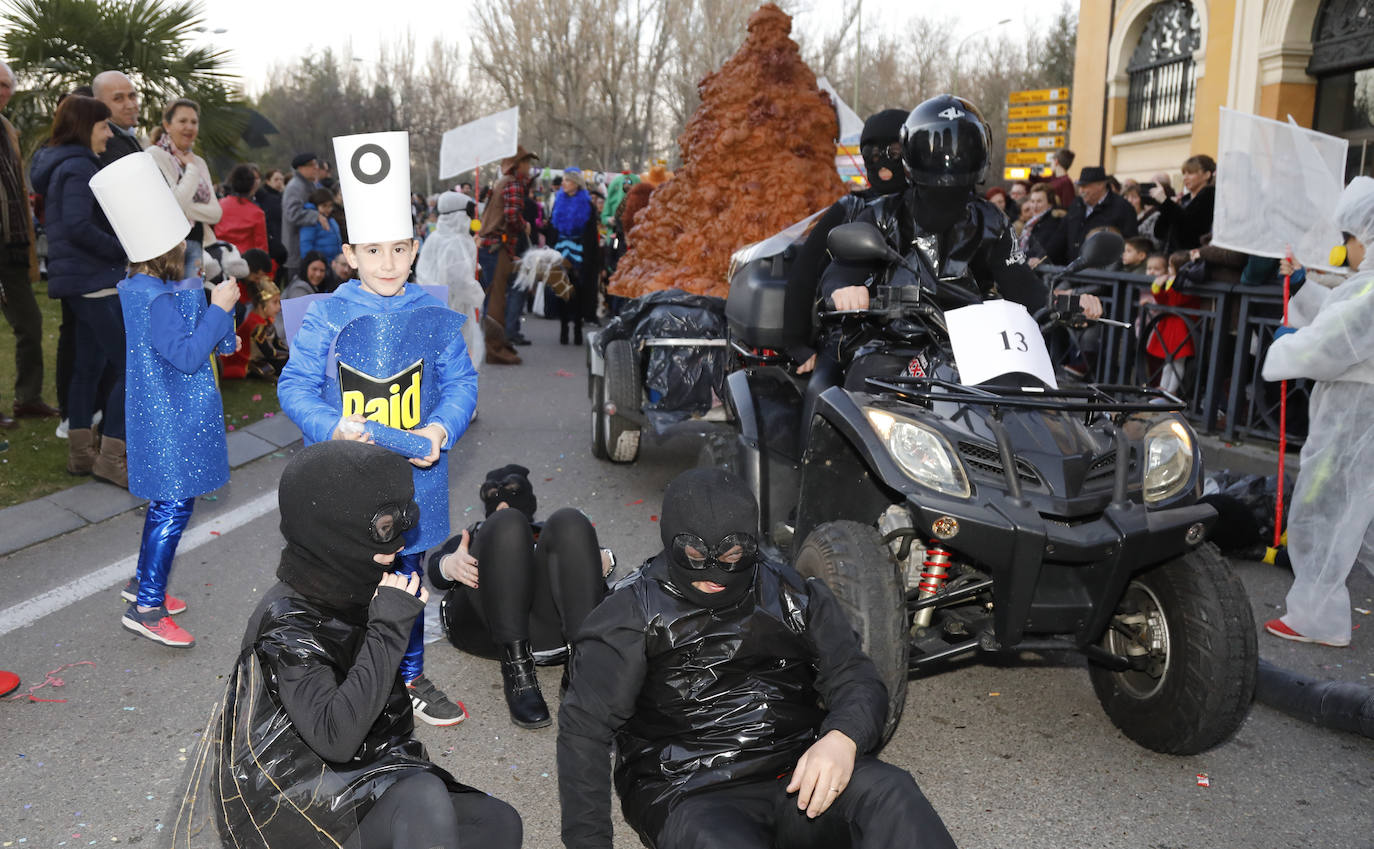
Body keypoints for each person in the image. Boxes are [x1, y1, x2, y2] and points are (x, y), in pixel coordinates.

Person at [557, 468, 958, 849]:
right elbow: (584, 732)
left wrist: (843, 737)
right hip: (687, 788)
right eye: (695, 554)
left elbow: (855, 675)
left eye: (732, 555)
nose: (713, 572)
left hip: (796, 768)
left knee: (892, 795)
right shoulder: (630, 615)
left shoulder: (793, 594)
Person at [171, 440, 523, 848]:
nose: (399, 542)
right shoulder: (289, 622)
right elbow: (335, 737)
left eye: (404, 520)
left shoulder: (354, 583)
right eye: (386, 527)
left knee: (497, 823)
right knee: (422, 802)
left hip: (355, 777)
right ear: (335, 530)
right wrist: (389, 629)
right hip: (291, 805)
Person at [278, 130, 478, 727]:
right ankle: (348, 673)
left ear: (415, 247)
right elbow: (294, 385)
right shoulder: (329, 314)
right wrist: (331, 425)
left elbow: (463, 383)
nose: (387, 264)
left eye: (398, 249)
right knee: (345, 577)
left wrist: (441, 429)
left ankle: (410, 673)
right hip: (347, 472)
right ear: (350, 253)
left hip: (417, 476)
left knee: (407, 576)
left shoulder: (435, 315)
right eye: (373, 251)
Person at [87, 150, 240, 646]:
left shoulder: (143, 287)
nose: (188, 246)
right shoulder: (154, 298)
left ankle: (141, 584)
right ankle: (148, 607)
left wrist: (216, 313)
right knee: (172, 508)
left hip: (169, 414)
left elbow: (196, 335)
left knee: (166, 506)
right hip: (171, 418)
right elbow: (189, 355)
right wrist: (219, 309)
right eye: (182, 239)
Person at [1261, 177, 1374, 648]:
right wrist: (1305, 288)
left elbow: (1335, 342)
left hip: (1354, 410)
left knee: (1328, 507)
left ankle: (1317, 617)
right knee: (1362, 513)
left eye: (1348, 239)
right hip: (1359, 404)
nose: (1343, 250)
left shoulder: (1369, 286)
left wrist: (1290, 346)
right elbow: (1342, 318)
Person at [428, 465, 609, 728]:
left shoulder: (550, 534)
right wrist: (448, 564)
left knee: (570, 521)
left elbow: (587, 564)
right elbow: (436, 570)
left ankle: (581, 669)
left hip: (554, 627)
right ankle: (518, 675)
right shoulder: (475, 535)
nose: (501, 501)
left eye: (512, 492)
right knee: (506, 525)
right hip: (488, 625)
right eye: (491, 494)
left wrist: (605, 560)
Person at [29, 95, 129, 481]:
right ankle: (110, 457)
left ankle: (82, 455)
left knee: (87, 368)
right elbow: (76, 225)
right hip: (93, 280)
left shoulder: (65, 163)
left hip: (82, 280)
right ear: (85, 126)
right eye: (104, 125)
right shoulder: (78, 167)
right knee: (128, 367)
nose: (108, 133)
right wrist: (121, 249)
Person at [783, 108, 909, 375]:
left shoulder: (931, 211)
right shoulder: (851, 207)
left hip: (931, 340)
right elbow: (805, 270)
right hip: (850, 338)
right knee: (825, 395)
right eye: (872, 154)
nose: (883, 162)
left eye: (894, 151)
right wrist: (796, 343)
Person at [0, 61, 57, 428]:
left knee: (30, 324)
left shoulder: (7, 128)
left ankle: (28, 398)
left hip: (14, 246)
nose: (2, 91)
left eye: (6, 85)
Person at [477, 144, 538, 365]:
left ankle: (498, 343)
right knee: (496, 299)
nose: (529, 167)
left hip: (493, 246)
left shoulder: (504, 183)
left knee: (496, 296)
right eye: (526, 163)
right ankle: (494, 349)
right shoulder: (513, 184)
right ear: (517, 164)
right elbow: (512, 216)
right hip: (497, 247)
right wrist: (525, 225)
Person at [146, 98, 220, 279]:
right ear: (167, 125)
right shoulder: (154, 156)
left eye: (194, 122)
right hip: (168, 249)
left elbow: (216, 213)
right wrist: (191, 170)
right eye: (182, 121)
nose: (189, 127)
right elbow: (175, 204)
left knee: (193, 304)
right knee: (170, 304)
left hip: (196, 243)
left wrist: (179, 206)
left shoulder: (199, 161)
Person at [415, 190, 484, 371]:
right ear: (459, 215)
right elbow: (460, 281)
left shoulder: (434, 237)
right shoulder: (455, 242)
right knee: (457, 358)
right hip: (455, 308)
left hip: (432, 306)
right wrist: (478, 296)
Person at [1043, 165, 1138, 265]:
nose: (1081, 191)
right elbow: (1060, 236)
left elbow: (1130, 242)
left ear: (1100, 185)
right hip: (1073, 270)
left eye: (1085, 186)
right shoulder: (1076, 204)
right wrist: (1043, 258)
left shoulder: (1122, 208)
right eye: (1079, 187)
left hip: (1103, 274)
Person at [551, 167, 596, 345]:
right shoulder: (558, 201)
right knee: (561, 290)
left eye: (567, 180)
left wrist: (588, 258)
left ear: (576, 184)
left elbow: (591, 233)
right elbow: (553, 228)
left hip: (579, 251)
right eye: (563, 180)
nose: (563, 183)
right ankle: (563, 327)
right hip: (561, 249)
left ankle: (577, 327)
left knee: (578, 292)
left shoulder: (588, 205)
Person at [1144, 250, 1198, 394]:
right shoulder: (1174, 282)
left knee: (1178, 361)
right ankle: (1163, 389)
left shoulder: (1186, 283)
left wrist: (1170, 285)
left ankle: (1171, 391)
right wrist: (1157, 287)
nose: (1168, 269)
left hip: (1181, 327)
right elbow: (1164, 301)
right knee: (1168, 362)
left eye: (1170, 266)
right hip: (1171, 325)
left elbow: (1175, 301)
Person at [1151, 154, 1215, 255]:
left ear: (1207, 175)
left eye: (1190, 173)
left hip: (1189, 259)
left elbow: (1189, 229)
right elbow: (1159, 232)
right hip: (1171, 257)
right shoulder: (1184, 199)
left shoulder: (1209, 196)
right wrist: (1167, 206)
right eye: (1184, 174)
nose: (1185, 178)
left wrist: (1165, 202)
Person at [282, 151, 322, 280]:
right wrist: (316, 216)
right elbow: (292, 214)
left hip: (307, 246)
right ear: (300, 168)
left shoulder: (308, 184)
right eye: (311, 165)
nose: (316, 168)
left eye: (316, 164)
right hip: (296, 249)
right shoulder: (295, 187)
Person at [90, 70, 142, 167]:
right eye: (118, 98)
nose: (130, 105)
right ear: (98, 103)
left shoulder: (125, 135)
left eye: (132, 96)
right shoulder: (105, 144)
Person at [216, 162, 268, 256]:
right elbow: (261, 246)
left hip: (221, 256)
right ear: (252, 186)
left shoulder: (220, 204)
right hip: (245, 260)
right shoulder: (257, 213)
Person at [254, 166, 287, 272]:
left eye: (281, 179)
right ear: (268, 181)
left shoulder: (282, 196)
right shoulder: (265, 197)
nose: (279, 182)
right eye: (276, 179)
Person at [299, 187, 344, 261]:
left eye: (330, 206)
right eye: (324, 206)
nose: (328, 209)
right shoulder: (311, 222)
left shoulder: (331, 220)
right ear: (316, 205)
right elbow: (305, 246)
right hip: (319, 266)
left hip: (333, 265)